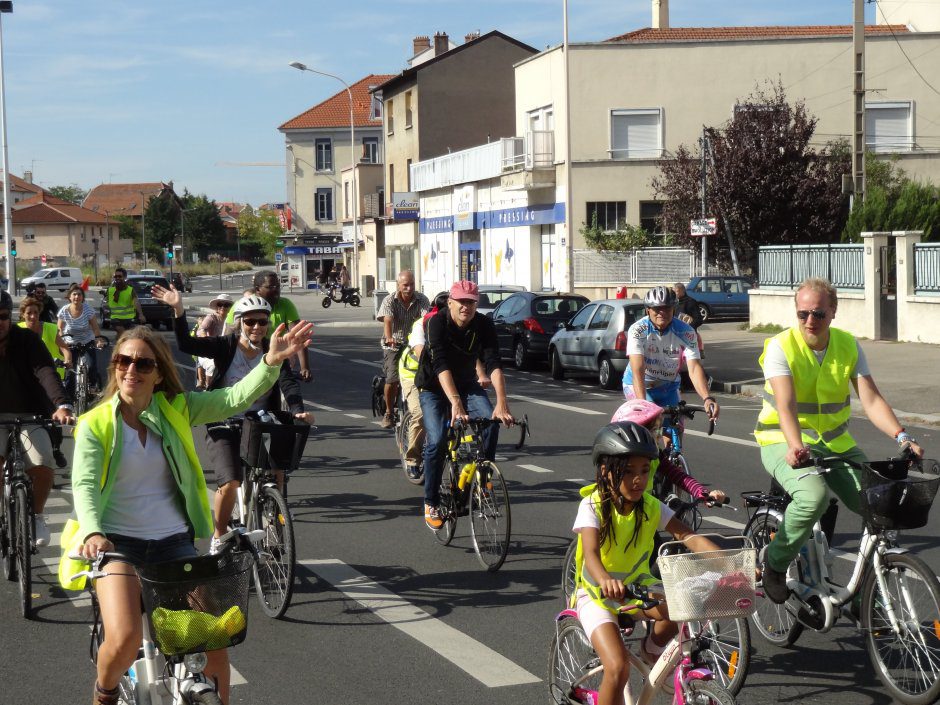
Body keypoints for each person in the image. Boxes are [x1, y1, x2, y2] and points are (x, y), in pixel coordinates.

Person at [72, 321, 312, 705]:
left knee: (213, 643)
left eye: (143, 364)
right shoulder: (95, 425)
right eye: (123, 361)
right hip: (117, 546)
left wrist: (269, 361)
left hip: (173, 544)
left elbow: (233, 399)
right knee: (126, 638)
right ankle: (104, 693)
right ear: (114, 366)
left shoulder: (177, 409)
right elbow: (83, 486)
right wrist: (92, 533)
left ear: (158, 373)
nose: (131, 370)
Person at [755, 277, 925, 604]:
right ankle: (774, 564)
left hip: (837, 444)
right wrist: (794, 445)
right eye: (802, 314)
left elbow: (871, 399)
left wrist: (902, 436)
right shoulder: (780, 346)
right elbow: (786, 405)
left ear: (833, 311)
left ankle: (865, 591)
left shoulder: (847, 345)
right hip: (781, 439)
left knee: (880, 503)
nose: (809, 321)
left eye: (818, 314)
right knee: (814, 498)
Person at [153, 285, 312, 551]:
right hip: (223, 420)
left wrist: (297, 410)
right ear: (240, 323)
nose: (257, 327)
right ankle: (218, 535)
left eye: (262, 322)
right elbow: (186, 344)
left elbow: (288, 383)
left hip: (260, 422)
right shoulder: (226, 346)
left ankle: (275, 515)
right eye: (250, 321)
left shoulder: (274, 349)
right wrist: (178, 310)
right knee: (231, 481)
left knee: (278, 469)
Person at [572, 421, 721, 705]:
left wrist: (733, 565)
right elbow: (590, 553)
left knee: (684, 604)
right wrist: (605, 580)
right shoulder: (591, 505)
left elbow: (689, 536)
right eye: (628, 472)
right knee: (617, 668)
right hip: (597, 595)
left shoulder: (651, 506)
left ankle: (651, 650)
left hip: (638, 587)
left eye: (644, 470)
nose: (638, 480)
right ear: (605, 470)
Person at [414, 280, 513, 529]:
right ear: (450, 302)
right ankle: (431, 501)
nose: (466, 307)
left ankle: (482, 481)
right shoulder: (436, 322)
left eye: (471, 302)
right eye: (461, 301)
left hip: (467, 384)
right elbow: (440, 364)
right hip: (434, 387)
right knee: (436, 441)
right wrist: (455, 403)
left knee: (491, 422)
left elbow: (494, 363)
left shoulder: (483, 324)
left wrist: (502, 403)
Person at [0, 290, 73, 548]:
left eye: (3, 316)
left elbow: (45, 371)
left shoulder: (28, 340)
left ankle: (37, 515)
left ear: (10, 317)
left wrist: (61, 404)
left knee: (43, 465)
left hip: (30, 414)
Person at [623, 285, 718, 422]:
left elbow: (694, 368)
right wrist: (642, 404)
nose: (662, 312)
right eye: (656, 308)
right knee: (649, 425)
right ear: (648, 310)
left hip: (668, 387)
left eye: (667, 308)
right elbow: (638, 369)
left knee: (675, 428)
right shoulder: (638, 330)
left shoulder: (686, 332)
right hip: (639, 384)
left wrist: (707, 398)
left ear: (674, 309)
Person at [610, 398, 726, 505]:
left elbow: (678, 476)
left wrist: (703, 493)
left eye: (658, 430)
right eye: (653, 431)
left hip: (646, 511)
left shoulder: (655, 456)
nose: (659, 437)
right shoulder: (616, 462)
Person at [224, 271, 310, 381]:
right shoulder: (242, 305)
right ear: (258, 289)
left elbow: (297, 336)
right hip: (245, 361)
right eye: (271, 287)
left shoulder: (285, 304)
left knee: (287, 388)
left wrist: (304, 367)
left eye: (278, 286)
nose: (276, 290)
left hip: (276, 358)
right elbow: (227, 336)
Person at [376, 270, 430, 429]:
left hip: (415, 343)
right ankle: (389, 412)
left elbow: (426, 319)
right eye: (405, 285)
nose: (409, 288)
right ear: (398, 285)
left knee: (425, 373)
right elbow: (388, 320)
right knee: (392, 378)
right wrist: (389, 338)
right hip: (394, 343)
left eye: (412, 284)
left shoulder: (422, 299)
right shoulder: (389, 300)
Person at [58, 283, 108, 394]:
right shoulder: (64, 310)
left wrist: (98, 340)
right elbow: (60, 329)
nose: (77, 297)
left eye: (79, 294)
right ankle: (69, 396)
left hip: (87, 341)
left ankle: (92, 386)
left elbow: (95, 328)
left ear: (82, 297)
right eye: (74, 294)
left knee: (90, 366)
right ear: (70, 297)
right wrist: (62, 341)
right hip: (71, 343)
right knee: (70, 371)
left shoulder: (88, 310)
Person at [19, 295, 70, 380]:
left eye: (36, 312)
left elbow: (65, 349)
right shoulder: (18, 330)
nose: (33, 316)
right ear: (23, 314)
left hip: (52, 374)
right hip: (27, 375)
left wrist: (67, 360)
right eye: (29, 313)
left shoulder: (50, 328)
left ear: (39, 313)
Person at [194, 294, 233, 390]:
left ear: (231, 308)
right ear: (217, 307)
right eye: (220, 304)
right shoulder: (211, 318)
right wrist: (208, 341)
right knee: (213, 365)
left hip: (225, 351)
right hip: (209, 352)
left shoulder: (232, 321)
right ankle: (209, 388)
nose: (223, 307)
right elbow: (200, 330)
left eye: (226, 305)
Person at [106, 268, 146, 336]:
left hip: (128, 318)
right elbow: (107, 302)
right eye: (116, 276)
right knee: (122, 331)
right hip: (115, 318)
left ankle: (119, 344)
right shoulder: (110, 290)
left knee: (123, 335)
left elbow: (136, 302)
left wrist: (141, 315)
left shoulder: (130, 290)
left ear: (124, 277)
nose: (117, 278)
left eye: (120, 276)